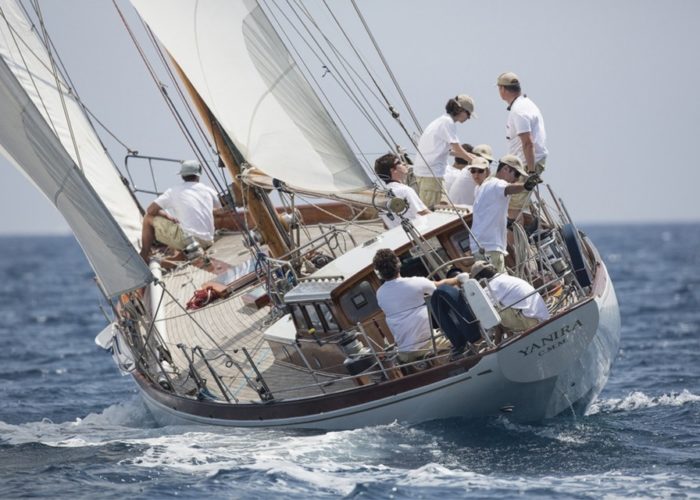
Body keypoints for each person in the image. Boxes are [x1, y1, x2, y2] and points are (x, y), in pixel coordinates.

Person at [373, 249, 460, 361]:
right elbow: (440, 286)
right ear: (398, 264)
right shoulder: (416, 282)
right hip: (428, 346)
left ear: (379, 273)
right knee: (462, 337)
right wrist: (458, 279)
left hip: (405, 353)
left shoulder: (380, 294)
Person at [469, 155, 541, 273]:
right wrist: (525, 186)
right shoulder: (498, 183)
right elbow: (509, 188)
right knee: (500, 285)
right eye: (516, 175)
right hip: (490, 247)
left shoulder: (485, 185)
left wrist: (507, 222)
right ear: (506, 169)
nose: (516, 179)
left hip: (483, 246)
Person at [140, 160, 222, 261]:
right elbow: (219, 209)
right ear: (198, 175)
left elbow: (150, 210)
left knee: (148, 218)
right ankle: (177, 253)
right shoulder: (208, 190)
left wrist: (167, 216)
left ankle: (144, 254)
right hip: (208, 240)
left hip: (190, 242)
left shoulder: (173, 191)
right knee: (180, 225)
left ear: (182, 176)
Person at [497, 72, 548, 217]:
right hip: (526, 163)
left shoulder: (518, 111)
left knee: (513, 207)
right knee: (516, 203)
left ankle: (515, 239)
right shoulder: (526, 103)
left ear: (502, 89)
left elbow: (527, 143)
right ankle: (531, 225)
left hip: (526, 165)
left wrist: (531, 173)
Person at [412, 95, 477, 207]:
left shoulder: (441, 121)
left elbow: (447, 150)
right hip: (431, 176)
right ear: (461, 110)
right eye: (468, 114)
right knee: (431, 214)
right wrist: (476, 162)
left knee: (441, 206)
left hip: (425, 174)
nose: (468, 118)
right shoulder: (448, 123)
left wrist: (470, 156)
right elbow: (457, 148)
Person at [470, 260, 550, 332]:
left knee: (491, 311)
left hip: (530, 321)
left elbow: (482, 312)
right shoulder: (504, 278)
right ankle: (507, 336)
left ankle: (500, 342)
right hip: (541, 317)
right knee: (496, 306)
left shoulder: (491, 287)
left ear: (479, 279)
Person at [375, 153, 430, 229]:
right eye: (399, 163)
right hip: (421, 233)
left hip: (401, 238)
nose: (404, 163)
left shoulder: (381, 196)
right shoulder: (405, 190)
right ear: (393, 170)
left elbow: (386, 225)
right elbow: (424, 212)